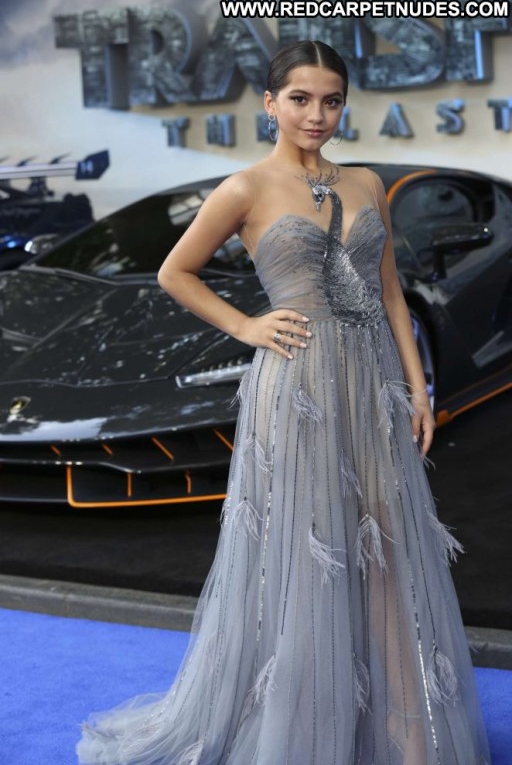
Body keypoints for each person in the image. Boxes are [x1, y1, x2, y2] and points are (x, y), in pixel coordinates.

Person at [77, 40, 491, 765]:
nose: (316, 114)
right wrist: (246, 326)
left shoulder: (365, 183)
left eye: (332, 100)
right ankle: (307, 733)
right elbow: (176, 272)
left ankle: (407, 734)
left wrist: (419, 387)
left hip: (372, 387)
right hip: (297, 387)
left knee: (389, 551)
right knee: (311, 551)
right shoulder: (244, 188)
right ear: (270, 103)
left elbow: (391, 294)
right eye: (300, 99)